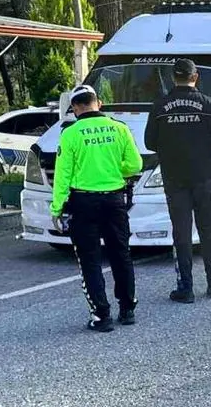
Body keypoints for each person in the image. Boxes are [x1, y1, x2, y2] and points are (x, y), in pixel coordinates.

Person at [51, 84, 144, 331]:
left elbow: (63, 175)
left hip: (84, 203)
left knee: (89, 259)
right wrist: (114, 170)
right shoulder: (119, 128)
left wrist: (57, 208)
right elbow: (135, 165)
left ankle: (101, 316)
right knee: (121, 254)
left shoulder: (70, 134)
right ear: (98, 103)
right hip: (115, 200)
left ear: (74, 108)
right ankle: (127, 309)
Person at [145, 58, 211, 303]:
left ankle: (186, 288)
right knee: (209, 231)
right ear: (196, 77)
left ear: (174, 78)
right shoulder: (209, 104)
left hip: (174, 178)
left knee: (181, 234)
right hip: (204, 177)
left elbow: (150, 142)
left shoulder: (160, 106)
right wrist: (205, 145)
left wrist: (171, 146)